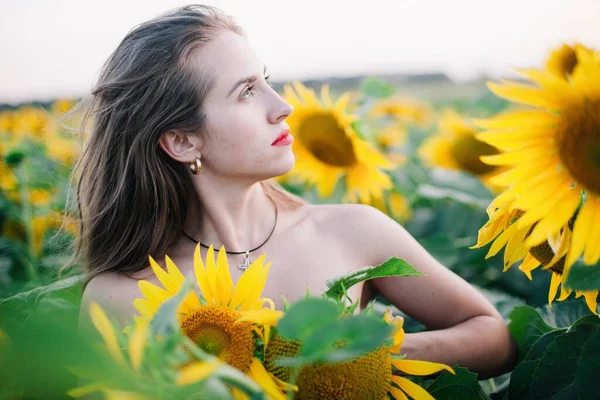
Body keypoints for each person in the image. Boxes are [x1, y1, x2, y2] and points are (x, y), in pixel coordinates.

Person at [74, 4, 516, 379]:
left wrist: (366, 361)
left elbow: (493, 337)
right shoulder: (122, 297)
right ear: (183, 141)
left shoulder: (350, 231)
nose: (282, 107)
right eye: (247, 92)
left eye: (265, 80)